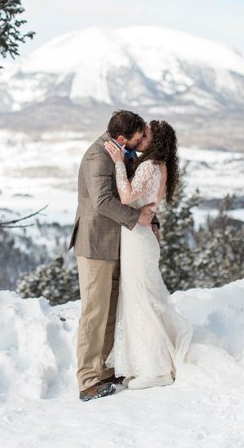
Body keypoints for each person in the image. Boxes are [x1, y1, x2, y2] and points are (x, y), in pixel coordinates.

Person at [69, 110, 160, 402]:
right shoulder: (98, 156)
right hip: (96, 244)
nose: (139, 142)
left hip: (117, 243)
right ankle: (87, 380)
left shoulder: (120, 152)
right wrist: (138, 218)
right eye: (136, 138)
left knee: (108, 312)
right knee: (94, 313)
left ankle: (104, 370)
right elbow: (103, 201)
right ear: (122, 138)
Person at [103, 119, 193, 390]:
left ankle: (155, 369)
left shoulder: (149, 166)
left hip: (137, 239)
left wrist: (119, 162)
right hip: (141, 238)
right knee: (142, 298)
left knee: (141, 300)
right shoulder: (160, 166)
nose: (141, 138)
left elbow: (127, 198)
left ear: (156, 141)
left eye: (146, 136)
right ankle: (146, 362)